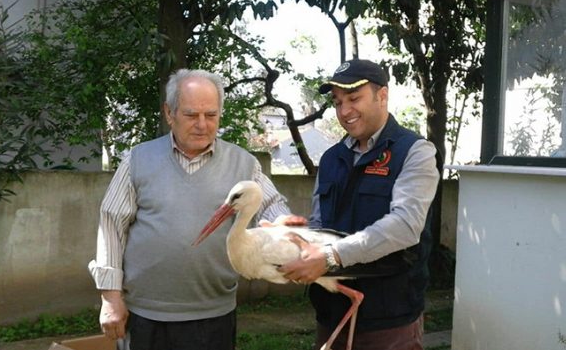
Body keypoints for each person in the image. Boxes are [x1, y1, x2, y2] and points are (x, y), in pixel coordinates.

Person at [88, 69, 301, 350]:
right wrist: (110, 298)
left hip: (213, 317)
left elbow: (271, 206)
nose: (202, 124)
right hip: (146, 316)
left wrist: (284, 224)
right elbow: (111, 226)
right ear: (169, 113)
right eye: (191, 115)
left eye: (211, 115)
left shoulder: (243, 163)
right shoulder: (138, 160)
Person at [279, 59, 440, 350]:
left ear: (383, 96)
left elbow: (405, 226)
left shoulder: (415, 152)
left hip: (389, 322)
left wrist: (330, 256)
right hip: (331, 316)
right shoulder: (330, 159)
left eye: (354, 98)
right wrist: (293, 242)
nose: (344, 111)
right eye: (338, 102)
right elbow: (319, 225)